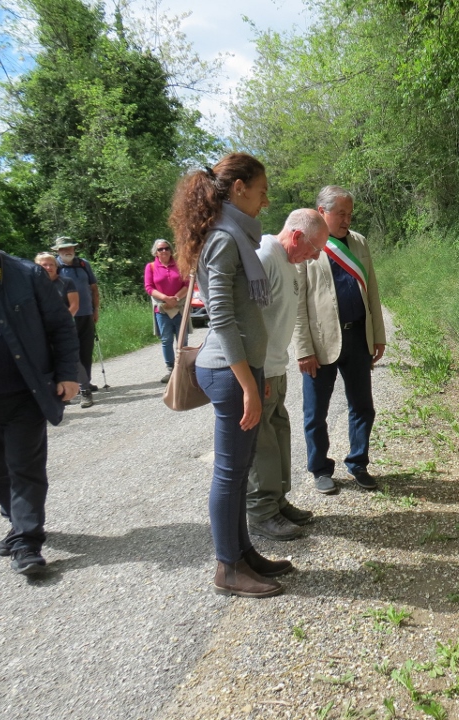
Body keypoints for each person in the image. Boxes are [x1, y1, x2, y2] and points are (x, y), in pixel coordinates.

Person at [168, 153, 292, 598]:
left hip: (240, 369)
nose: (265, 200)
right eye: (261, 191)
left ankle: (243, 553)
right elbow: (219, 315)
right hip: (228, 372)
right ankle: (227, 567)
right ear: (239, 188)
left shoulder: (232, 233)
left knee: (239, 471)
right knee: (228, 472)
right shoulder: (224, 238)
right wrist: (247, 385)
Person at [0, 199, 80, 574]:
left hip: (24, 391)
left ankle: (27, 542)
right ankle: (18, 523)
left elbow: (61, 326)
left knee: (25, 467)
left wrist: (68, 373)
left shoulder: (26, 275)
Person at [293, 186, 387, 494]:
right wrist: (303, 349)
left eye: (350, 214)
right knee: (315, 412)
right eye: (341, 213)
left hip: (358, 336)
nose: (347, 219)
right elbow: (298, 303)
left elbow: (372, 291)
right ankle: (320, 468)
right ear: (322, 212)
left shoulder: (359, 242)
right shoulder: (307, 244)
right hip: (320, 344)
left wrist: (378, 335)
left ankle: (358, 463)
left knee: (363, 406)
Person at [247, 209, 329, 541]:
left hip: (276, 368)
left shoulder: (289, 262)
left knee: (279, 435)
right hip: (261, 370)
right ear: (296, 236)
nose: (317, 256)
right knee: (261, 443)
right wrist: (256, 374)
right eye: (314, 248)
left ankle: (277, 502)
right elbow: (244, 317)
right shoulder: (264, 256)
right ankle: (261, 512)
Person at [52, 237, 99, 408]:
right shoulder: (54, 266)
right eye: (63, 248)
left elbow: (93, 288)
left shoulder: (84, 264)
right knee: (71, 352)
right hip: (66, 317)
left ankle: (85, 381)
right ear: (57, 251)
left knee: (86, 350)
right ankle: (76, 384)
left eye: (70, 247)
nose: (67, 251)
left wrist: (96, 309)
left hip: (86, 313)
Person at [144, 238, 189, 383]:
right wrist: (165, 298)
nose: (164, 251)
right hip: (162, 309)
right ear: (155, 252)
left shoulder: (180, 265)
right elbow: (149, 287)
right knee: (166, 339)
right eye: (160, 249)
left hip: (180, 307)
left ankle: (184, 369)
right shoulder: (151, 267)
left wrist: (176, 298)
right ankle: (171, 370)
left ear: (170, 250)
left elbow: (187, 284)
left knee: (182, 339)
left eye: (166, 248)